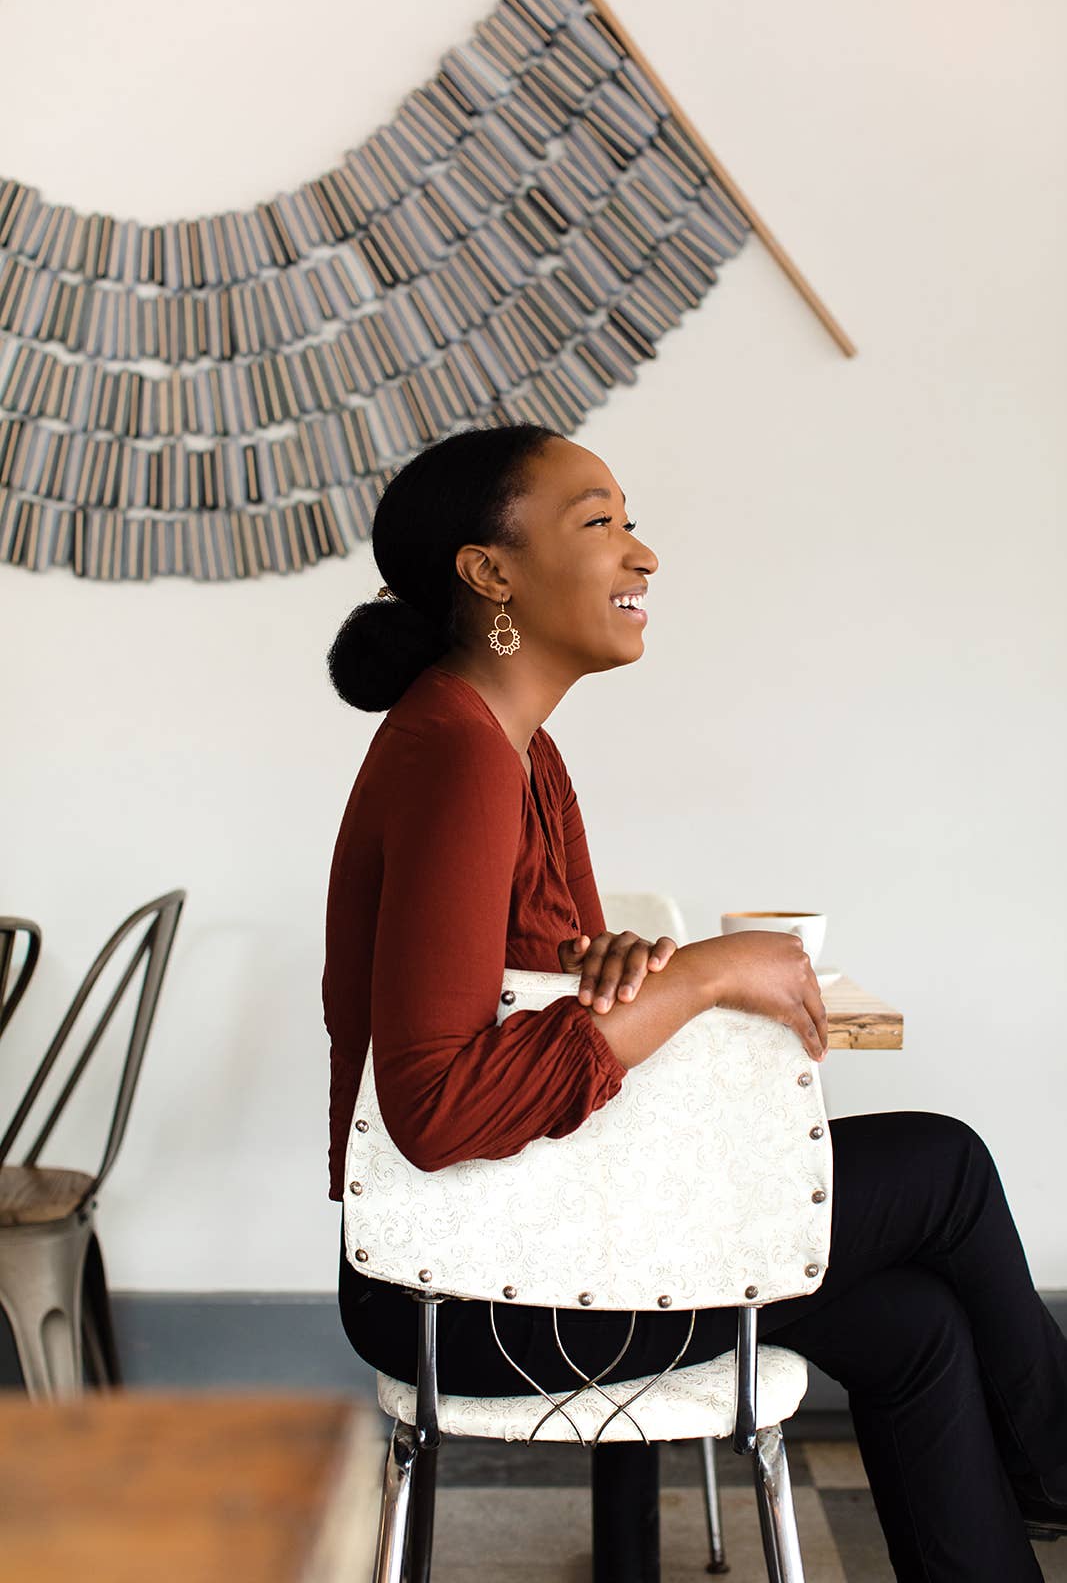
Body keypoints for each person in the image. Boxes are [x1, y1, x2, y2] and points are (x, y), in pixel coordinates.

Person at [323, 422, 1067, 1581]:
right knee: (944, 1169)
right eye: (600, 523)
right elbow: (435, 1104)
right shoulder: (459, 751)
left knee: (913, 1323)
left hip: (539, 1238)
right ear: (491, 572)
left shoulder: (516, 749)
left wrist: (599, 960)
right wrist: (707, 974)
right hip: (468, 1289)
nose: (643, 555)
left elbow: (513, 988)